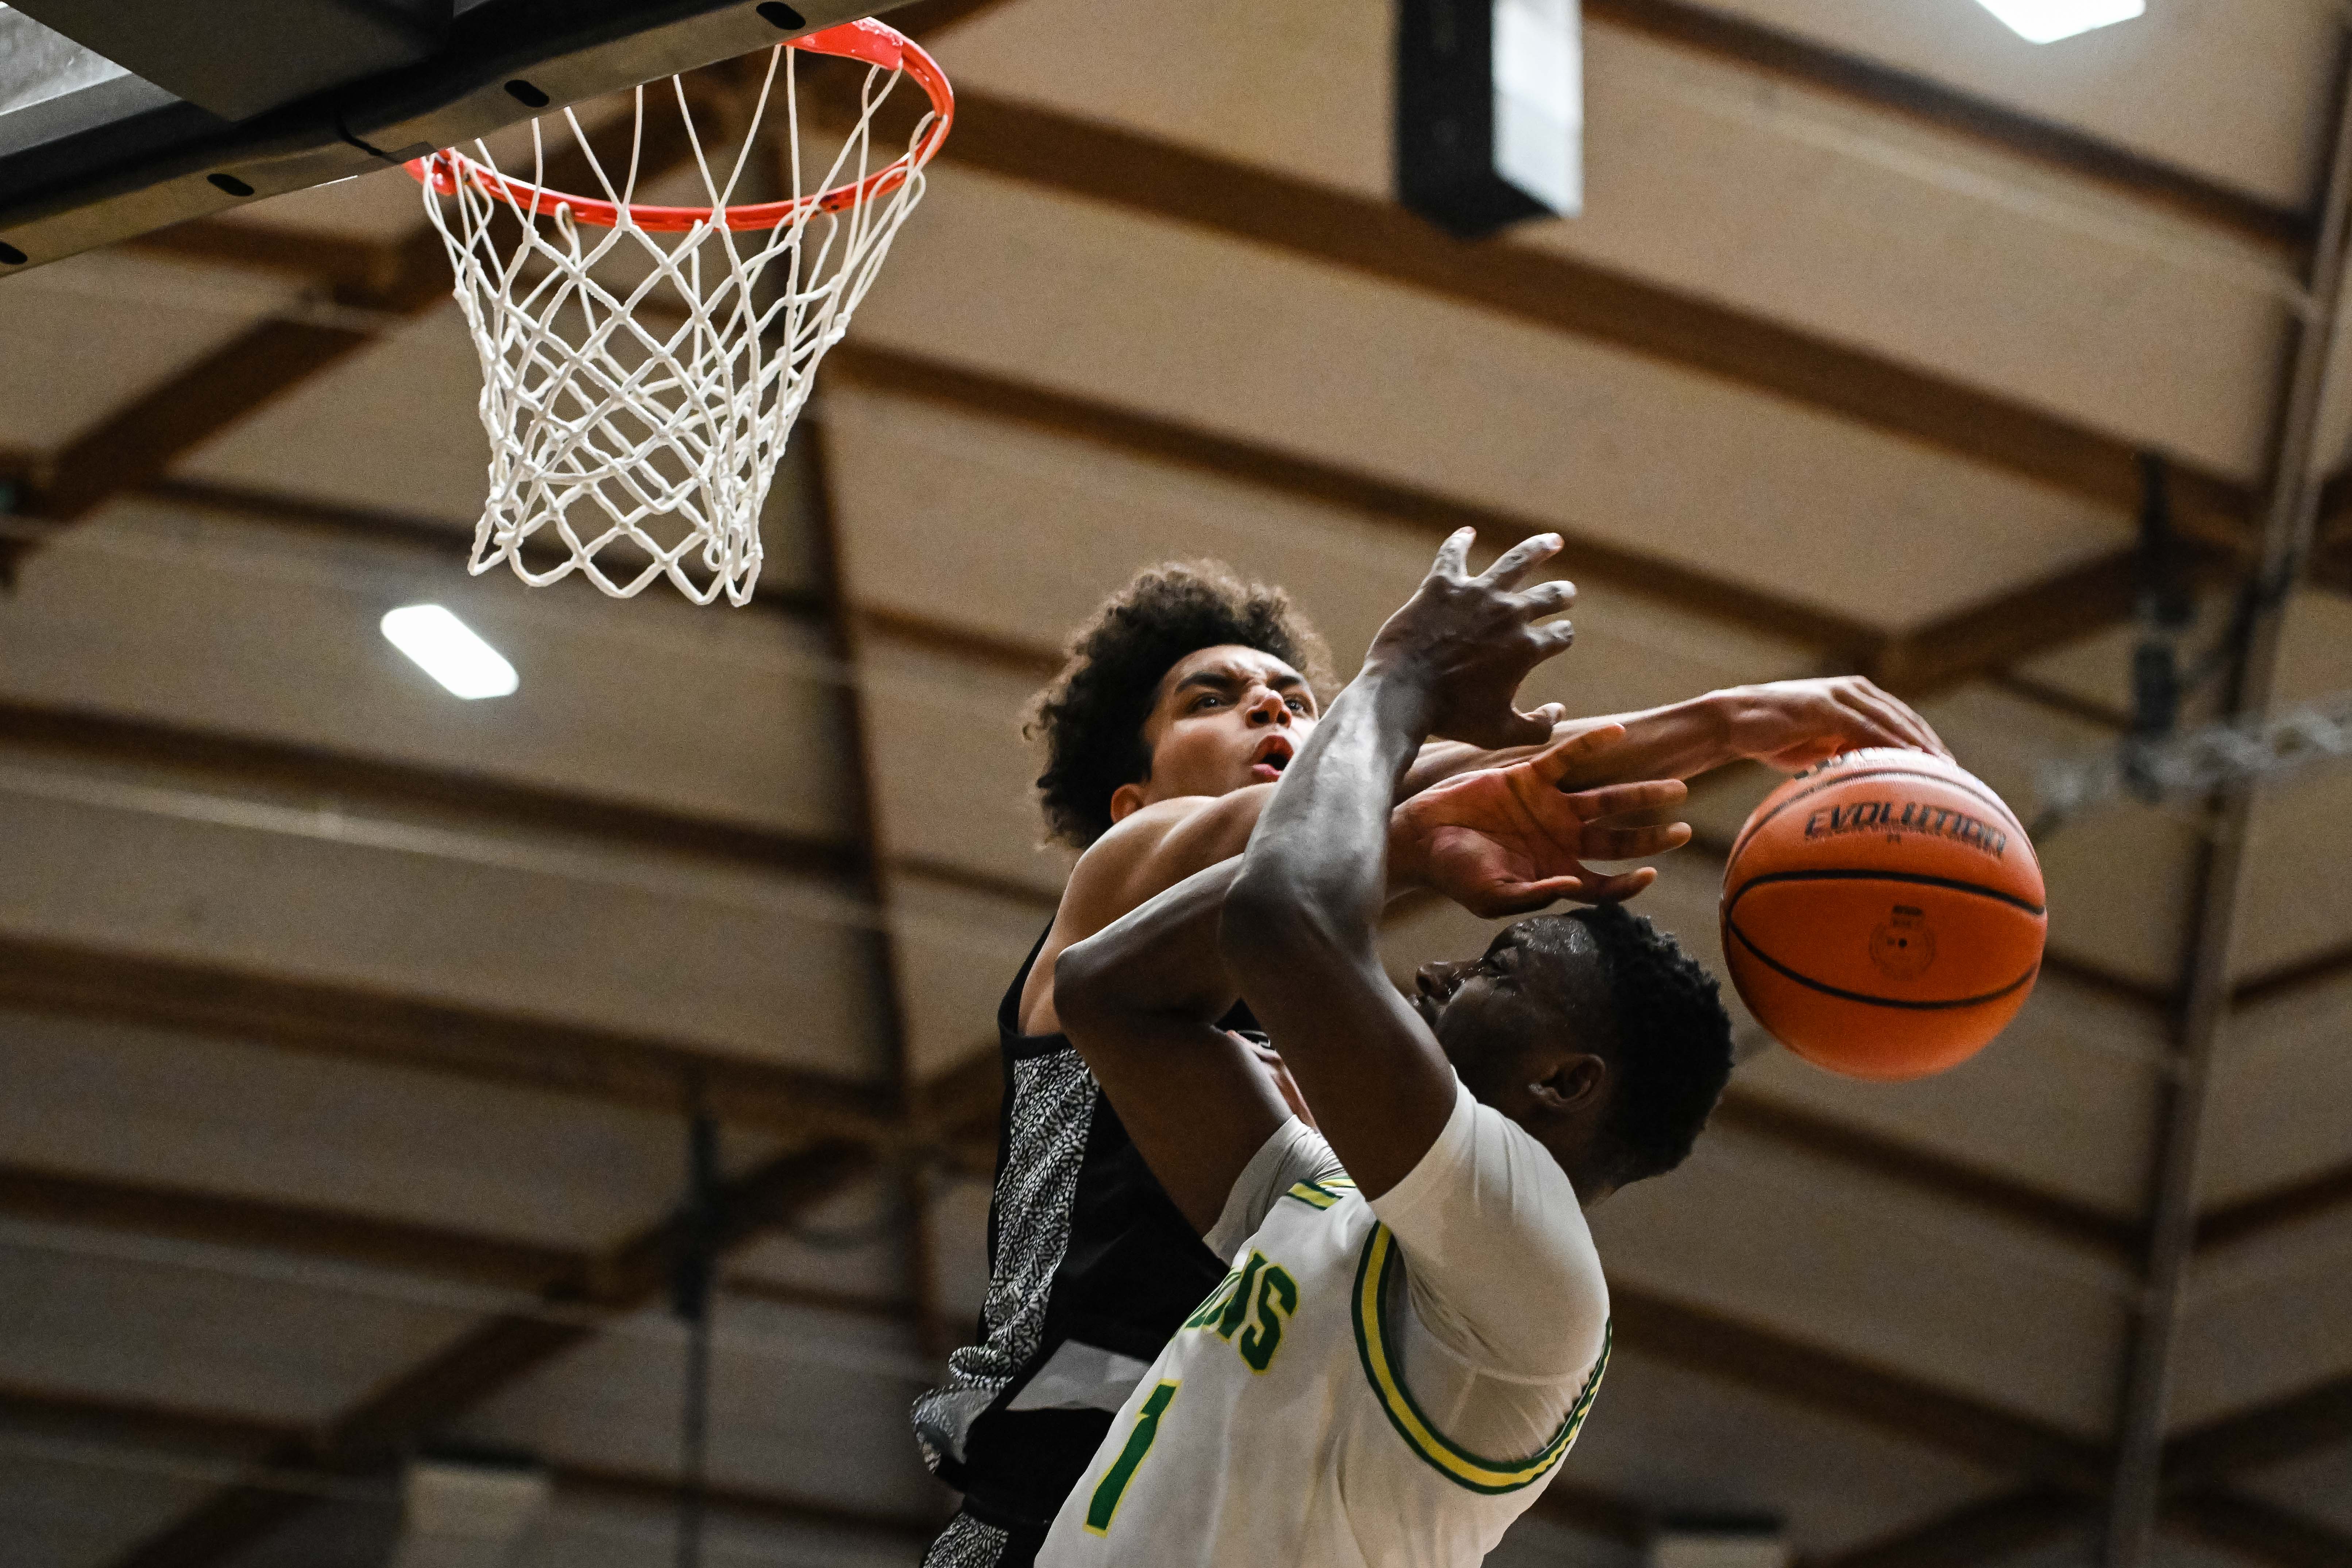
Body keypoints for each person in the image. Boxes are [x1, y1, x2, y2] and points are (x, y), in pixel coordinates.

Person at [911, 560, 1946, 1567]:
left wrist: (1402, 781)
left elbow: (1373, 827)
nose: (1272, 714)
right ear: (1132, 797)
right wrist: (1719, 724)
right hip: (1041, 1488)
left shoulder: (1355, 1113)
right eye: (1212, 699)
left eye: (1295, 700)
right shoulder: (1123, 869)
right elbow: (1346, 832)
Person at [1037, 530, 1735, 1564]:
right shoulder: (1336, 1207)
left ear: (1564, 1079)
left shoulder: (1536, 1267)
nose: (1441, 974)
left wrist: (1401, 679)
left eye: (1500, 968)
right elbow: (1109, 994)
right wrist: (1401, 843)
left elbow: (1281, 921)